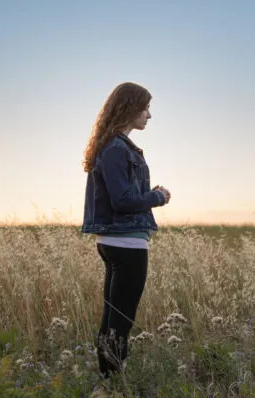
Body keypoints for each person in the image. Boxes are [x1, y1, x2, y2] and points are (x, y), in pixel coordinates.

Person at [80, 82, 171, 377]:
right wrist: (158, 197)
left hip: (116, 241)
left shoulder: (113, 147)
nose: (149, 115)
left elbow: (122, 196)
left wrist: (147, 197)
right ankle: (114, 384)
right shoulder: (117, 149)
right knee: (121, 319)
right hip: (126, 245)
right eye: (145, 107)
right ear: (130, 107)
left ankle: (107, 380)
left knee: (113, 316)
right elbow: (123, 200)